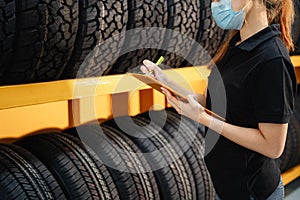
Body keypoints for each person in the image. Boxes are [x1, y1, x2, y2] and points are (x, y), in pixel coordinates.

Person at [141, 0, 297, 199]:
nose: (217, 3)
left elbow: (273, 146)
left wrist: (205, 120)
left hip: (251, 192)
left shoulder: (273, 60)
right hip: (225, 186)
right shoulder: (236, 46)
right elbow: (215, 103)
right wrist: (166, 81)